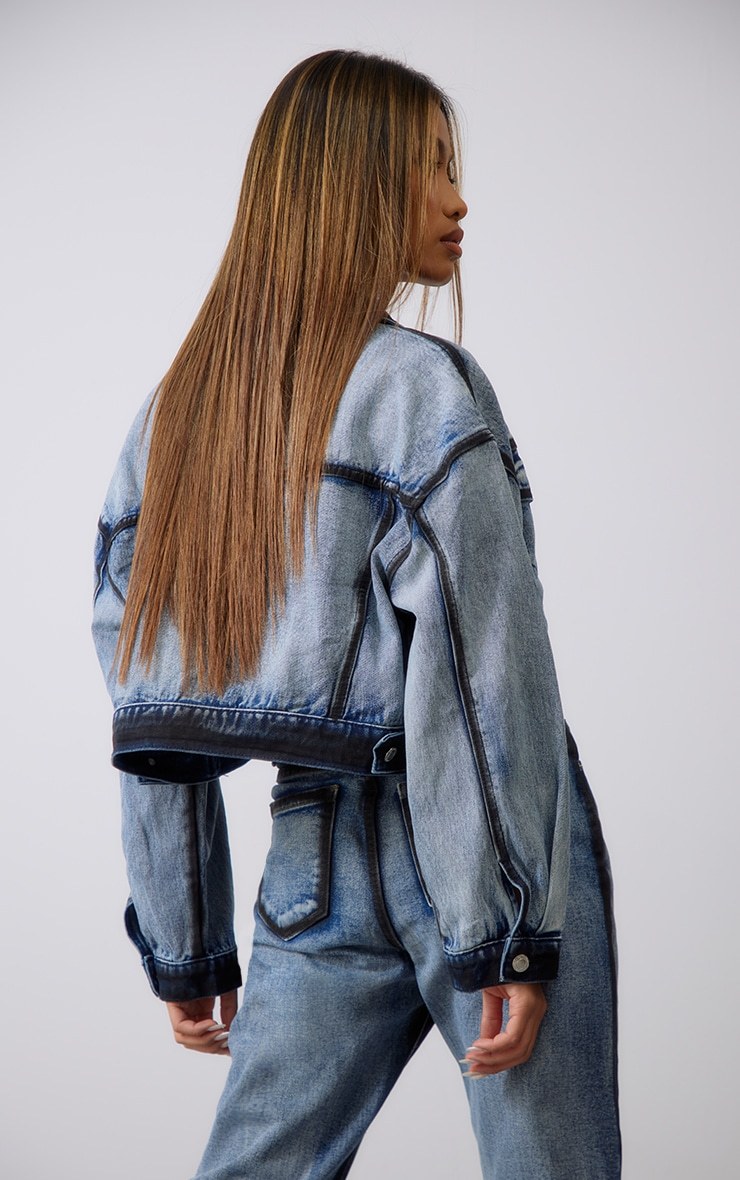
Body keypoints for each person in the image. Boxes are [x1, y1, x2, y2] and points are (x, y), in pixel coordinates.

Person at [92, 48, 621, 1179]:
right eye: (432, 166)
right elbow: (485, 674)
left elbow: (152, 710)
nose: (458, 199)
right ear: (354, 181)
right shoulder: (422, 391)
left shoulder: (174, 418)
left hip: (313, 857)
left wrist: (186, 941)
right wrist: (510, 929)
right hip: (476, 848)